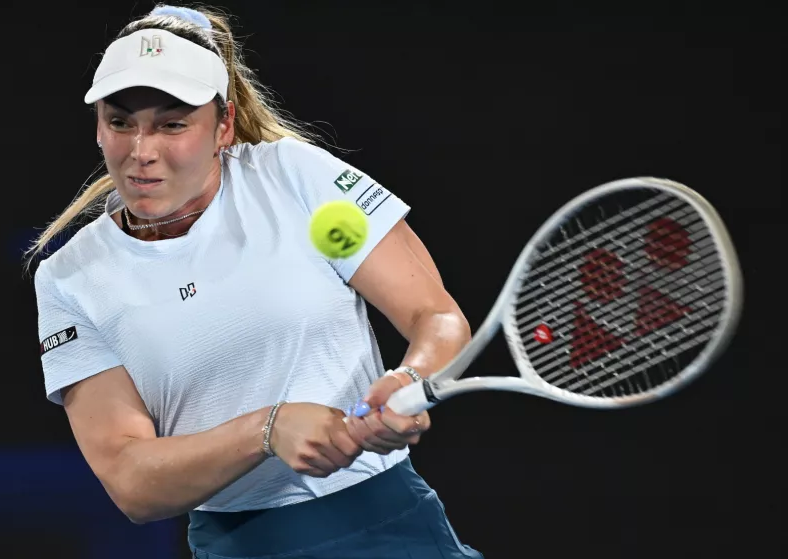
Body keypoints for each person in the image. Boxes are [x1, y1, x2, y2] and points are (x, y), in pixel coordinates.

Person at [28, 4, 482, 558]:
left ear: (222, 125)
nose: (141, 152)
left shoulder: (296, 177)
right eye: (120, 122)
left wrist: (411, 381)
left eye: (173, 124)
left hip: (392, 526)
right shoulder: (69, 277)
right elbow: (130, 481)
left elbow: (434, 316)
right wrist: (267, 431)